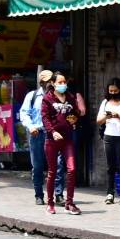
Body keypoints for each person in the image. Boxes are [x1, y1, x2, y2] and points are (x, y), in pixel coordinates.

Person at [42, 70, 82, 216]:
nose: (63, 84)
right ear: (53, 83)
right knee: (52, 171)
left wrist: (74, 120)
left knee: (72, 169)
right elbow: (45, 118)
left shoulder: (70, 97)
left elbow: (76, 113)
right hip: (52, 140)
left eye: (64, 82)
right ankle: (50, 203)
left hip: (67, 139)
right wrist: (52, 131)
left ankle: (69, 203)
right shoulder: (47, 98)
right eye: (60, 82)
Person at [20, 70, 60, 206]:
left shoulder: (58, 96)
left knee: (57, 165)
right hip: (37, 134)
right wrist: (31, 126)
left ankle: (58, 194)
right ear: (41, 82)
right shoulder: (32, 96)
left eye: (52, 81)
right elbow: (24, 113)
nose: (51, 83)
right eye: (48, 81)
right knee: (37, 166)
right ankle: (39, 194)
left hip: (53, 134)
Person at [96, 77, 120, 205]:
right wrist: (106, 116)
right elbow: (98, 121)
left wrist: (118, 116)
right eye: (111, 91)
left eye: (115, 91)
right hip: (108, 136)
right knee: (110, 166)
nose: (113, 93)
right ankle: (110, 193)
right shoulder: (105, 102)